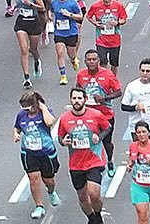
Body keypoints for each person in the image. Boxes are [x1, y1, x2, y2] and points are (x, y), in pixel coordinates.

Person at [57, 87, 110, 224]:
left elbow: (107, 127)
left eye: (79, 98)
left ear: (85, 100)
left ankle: (98, 215)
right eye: (74, 98)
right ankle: (92, 218)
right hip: (76, 163)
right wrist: (63, 142)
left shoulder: (95, 114)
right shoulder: (64, 118)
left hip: (94, 160)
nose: (77, 101)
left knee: (93, 193)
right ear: (70, 100)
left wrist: (99, 137)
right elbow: (60, 137)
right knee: (82, 197)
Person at [14, 91, 60, 220]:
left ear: (35, 105)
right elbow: (17, 127)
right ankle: (39, 206)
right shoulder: (21, 115)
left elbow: (50, 122)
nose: (25, 110)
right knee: (33, 178)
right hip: (28, 152)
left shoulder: (44, 112)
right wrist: (16, 134)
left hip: (46, 151)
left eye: (27, 107)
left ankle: (51, 191)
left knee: (48, 180)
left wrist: (43, 107)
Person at [75, 49, 121, 176]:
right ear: (85, 61)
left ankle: (110, 160)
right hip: (87, 114)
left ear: (99, 61)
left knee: (106, 141)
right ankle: (91, 165)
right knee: (89, 140)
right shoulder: (81, 75)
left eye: (94, 59)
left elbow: (118, 92)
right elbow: (78, 90)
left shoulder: (108, 74)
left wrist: (104, 98)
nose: (91, 62)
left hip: (105, 114)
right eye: (89, 59)